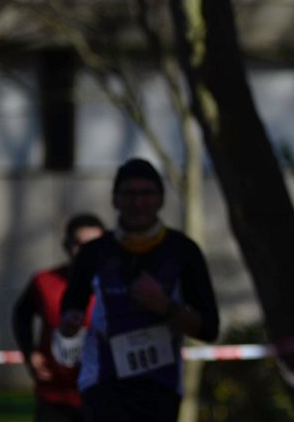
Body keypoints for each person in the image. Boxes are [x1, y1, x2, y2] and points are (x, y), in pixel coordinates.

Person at [59, 158, 219, 422]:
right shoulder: (94, 252)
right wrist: (69, 325)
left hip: (161, 387)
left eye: (146, 194)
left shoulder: (182, 251)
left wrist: (165, 306)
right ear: (115, 199)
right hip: (103, 382)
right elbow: (69, 312)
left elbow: (209, 329)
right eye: (129, 194)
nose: (138, 203)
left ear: (161, 199)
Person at [12, 213, 106, 422]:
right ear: (67, 245)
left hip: (103, 393)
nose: (86, 252)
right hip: (55, 395)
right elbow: (21, 315)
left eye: (94, 245)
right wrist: (29, 352)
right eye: (79, 244)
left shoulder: (117, 285)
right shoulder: (44, 281)